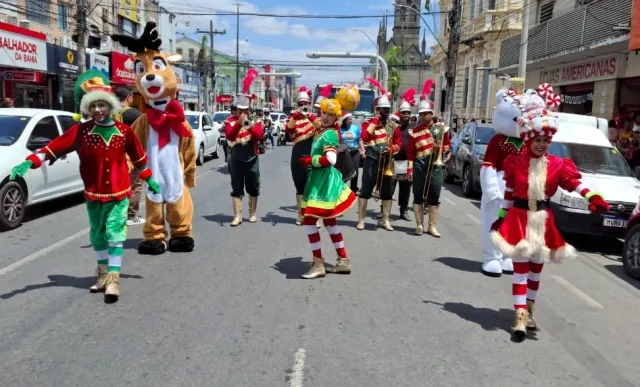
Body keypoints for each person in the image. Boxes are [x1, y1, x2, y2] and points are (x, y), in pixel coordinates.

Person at [9, 70, 159, 303]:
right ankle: (101, 273)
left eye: (102, 104)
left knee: (115, 233)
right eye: (93, 105)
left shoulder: (124, 132)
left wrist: (150, 180)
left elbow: (139, 160)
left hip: (119, 195)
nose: (98, 110)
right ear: (87, 108)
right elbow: (54, 147)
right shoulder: (82, 131)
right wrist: (30, 161)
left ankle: (113, 278)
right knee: (98, 235)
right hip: (93, 194)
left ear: (110, 106)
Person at [490, 90, 610, 339]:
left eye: (546, 140)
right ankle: (520, 317)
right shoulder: (515, 162)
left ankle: (530, 311)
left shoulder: (557, 164)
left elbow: (574, 183)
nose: (542, 144)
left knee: (536, 271)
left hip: (543, 222)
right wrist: (501, 217)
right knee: (520, 270)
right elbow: (510, 194)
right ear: (528, 139)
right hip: (520, 220)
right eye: (538, 140)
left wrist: (591, 196)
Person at [113, 22, 197, 256]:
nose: (149, 76)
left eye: (156, 67)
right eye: (142, 70)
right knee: (153, 203)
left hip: (175, 170)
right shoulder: (142, 121)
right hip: (151, 171)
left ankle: (181, 232)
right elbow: (133, 145)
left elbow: (189, 146)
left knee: (179, 202)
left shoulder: (179, 118)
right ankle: (154, 235)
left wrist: (190, 172)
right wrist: (127, 167)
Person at [298, 93, 358, 279]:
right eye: (323, 112)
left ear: (336, 118)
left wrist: (311, 160)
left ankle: (318, 264)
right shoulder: (324, 129)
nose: (324, 117)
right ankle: (343, 260)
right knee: (329, 221)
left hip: (323, 180)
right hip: (321, 178)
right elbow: (314, 124)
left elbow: (331, 159)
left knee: (309, 221)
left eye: (330, 115)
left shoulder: (330, 133)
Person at [479, 79, 526, 277]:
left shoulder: (527, 142)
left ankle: (508, 256)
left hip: (518, 189)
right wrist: (491, 190)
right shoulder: (497, 141)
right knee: (493, 221)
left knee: (513, 225)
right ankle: (492, 257)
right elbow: (488, 165)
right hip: (498, 184)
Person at [407, 81, 450, 236]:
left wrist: (442, 150)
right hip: (419, 165)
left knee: (434, 194)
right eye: (421, 114)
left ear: (431, 114)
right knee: (417, 194)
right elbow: (411, 152)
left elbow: (448, 146)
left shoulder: (441, 129)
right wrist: (410, 169)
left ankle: (431, 226)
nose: (423, 116)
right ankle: (419, 224)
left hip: (436, 166)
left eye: (425, 113)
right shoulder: (415, 131)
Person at [358, 78, 401, 231]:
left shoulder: (394, 126)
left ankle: (385, 219)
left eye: (388, 110)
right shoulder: (369, 123)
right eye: (384, 110)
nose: (387, 112)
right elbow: (364, 138)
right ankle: (362, 219)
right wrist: (375, 120)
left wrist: (392, 149)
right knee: (366, 189)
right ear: (377, 110)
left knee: (387, 191)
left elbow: (399, 143)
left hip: (387, 162)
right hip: (372, 160)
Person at [225, 70, 263, 227]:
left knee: (253, 186)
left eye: (245, 110)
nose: (242, 113)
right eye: (239, 110)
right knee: (236, 186)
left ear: (249, 109)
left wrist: (248, 125)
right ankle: (237, 216)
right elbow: (230, 137)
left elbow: (259, 136)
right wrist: (238, 124)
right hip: (236, 158)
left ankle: (252, 213)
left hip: (252, 158)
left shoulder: (255, 120)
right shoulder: (230, 121)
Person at [287, 86, 321, 226]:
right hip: (296, 158)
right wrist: (296, 115)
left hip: (311, 158)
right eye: (300, 104)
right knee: (300, 187)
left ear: (309, 104)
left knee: (312, 188)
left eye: (305, 104)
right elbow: (288, 129)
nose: (302, 107)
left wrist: (310, 115)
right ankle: (301, 215)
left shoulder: (314, 119)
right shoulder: (293, 118)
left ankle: (313, 217)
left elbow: (319, 127)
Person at [113, 88, 145, 226]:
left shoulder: (109, 113)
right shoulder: (133, 114)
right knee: (136, 185)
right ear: (129, 98)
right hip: (132, 155)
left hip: (114, 155)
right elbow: (144, 133)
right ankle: (131, 216)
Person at [392, 88, 416, 221]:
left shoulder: (415, 126)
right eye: (403, 113)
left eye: (407, 113)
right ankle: (385, 210)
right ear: (399, 114)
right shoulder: (394, 127)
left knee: (405, 189)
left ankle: (403, 210)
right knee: (390, 187)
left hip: (408, 163)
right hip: (394, 161)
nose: (405, 115)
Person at [339, 112, 364, 194]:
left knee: (355, 171)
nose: (351, 120)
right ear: (344, 120)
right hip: (344, 153)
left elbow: (359, 139)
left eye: (351, 119)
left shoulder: (355, 128)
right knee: (344, 171)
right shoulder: (340, 129)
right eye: (349, 119)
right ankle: (343, 188)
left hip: (355, 152)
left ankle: (353, 188)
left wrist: (363, 150)